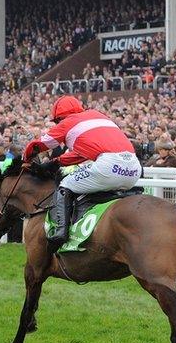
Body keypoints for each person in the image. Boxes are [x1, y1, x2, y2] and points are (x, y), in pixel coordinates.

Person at [23, 95, 140, 253]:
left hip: (109, 166)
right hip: (133, 168)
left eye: (57, 121)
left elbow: (40, 145)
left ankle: (60, 234)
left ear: (60, 117)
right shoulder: (98, 115)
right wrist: (57, 162)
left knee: (65, 185)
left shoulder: (68, 122)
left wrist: (26, 158)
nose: (58, 124)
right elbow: (82, 154)